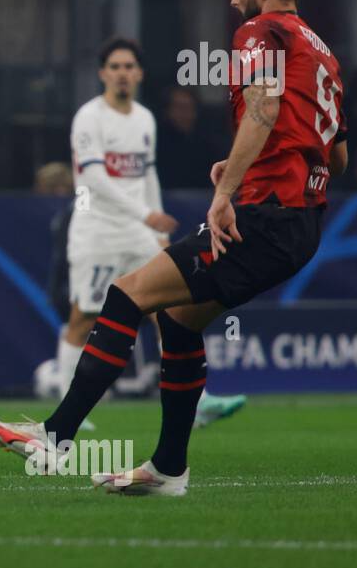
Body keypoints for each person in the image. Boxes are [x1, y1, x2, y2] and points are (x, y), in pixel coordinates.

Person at [0, 0, 347, 495]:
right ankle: (169, 468)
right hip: (299, 223)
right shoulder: (323, 54)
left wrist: (227, 189)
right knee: (177, 320)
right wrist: (257, 163)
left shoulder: (259, 31)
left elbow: (264, 107)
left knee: (127, 294)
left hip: (265, 216)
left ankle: (56, 438)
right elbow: (335, 155)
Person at [51, 36, 244, 429]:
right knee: (84, 316)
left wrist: (155, 224)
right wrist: (146, 214)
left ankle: (198, 402)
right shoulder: (89, 117)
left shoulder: (144, 118)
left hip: (139, 231)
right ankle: (68, 406)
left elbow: (147, 173)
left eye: (129, 67)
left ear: (138, 73)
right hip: (98, 230)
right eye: (115, 67)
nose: (122, 73)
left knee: (169, 310)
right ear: (104, 73)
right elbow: (93, 176)